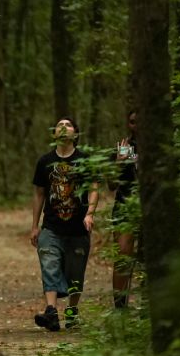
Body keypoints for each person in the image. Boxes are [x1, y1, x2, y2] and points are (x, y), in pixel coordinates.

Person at [30, 117, 98, 331]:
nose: (63, 127)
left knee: (75, 274)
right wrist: (35, 225)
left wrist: (90, 213)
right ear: (53, 135)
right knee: (49, 265)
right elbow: (39, 194)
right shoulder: (44, 162)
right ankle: (51, 311)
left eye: (68, 125)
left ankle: (71, 313)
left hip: (78, 228)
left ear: (75, 134)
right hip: (51, 227)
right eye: (59, 125)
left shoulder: (84, 160)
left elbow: (94, 188)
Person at [110, 110, 139, 309]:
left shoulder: (159, 148)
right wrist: (120, 162)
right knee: (123, 255)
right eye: (132, 121)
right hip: (124, 207)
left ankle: (148, 307)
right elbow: (111, 185)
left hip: (149, 206)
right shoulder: (124, 147)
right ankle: (120, 308)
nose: (136, 125)